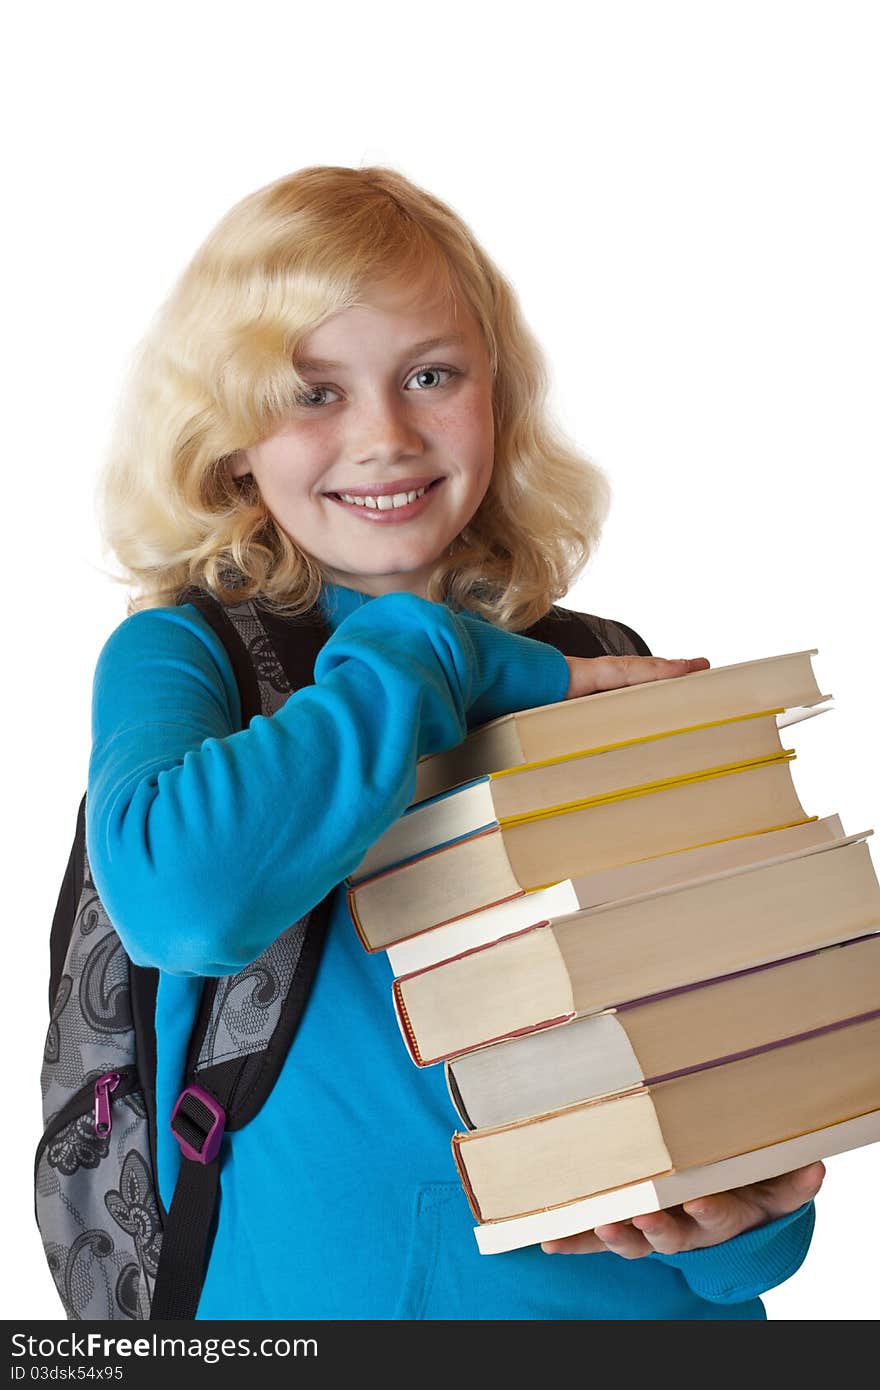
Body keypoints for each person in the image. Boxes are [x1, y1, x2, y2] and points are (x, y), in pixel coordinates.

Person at [86, 164, 823, 1320]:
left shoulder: (598, 657)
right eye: (311, 392)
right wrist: (436, 656)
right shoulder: (191, 660)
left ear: (496, 402)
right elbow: (188, 904)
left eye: (430, 376)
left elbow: (720, 1076)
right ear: (228, 441)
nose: (383, 436)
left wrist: (747, 1227)